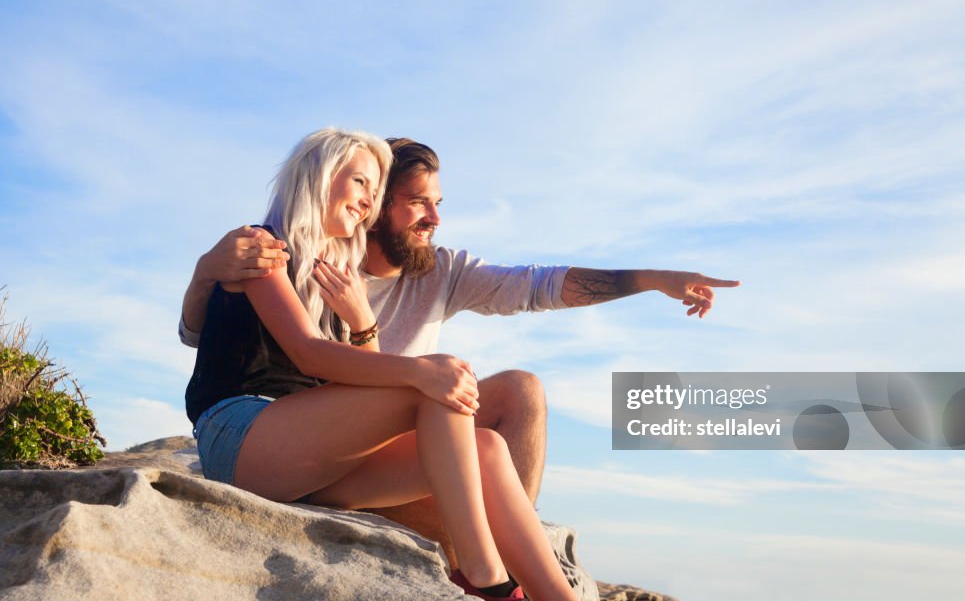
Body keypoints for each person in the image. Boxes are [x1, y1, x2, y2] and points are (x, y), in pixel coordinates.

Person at [180, 138, 740, 566]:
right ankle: (500, 563)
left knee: (519, 389)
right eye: (417, 202)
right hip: (320, 453)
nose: (435, 218)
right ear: (372, 208)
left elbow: (537, 285)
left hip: (406, 455)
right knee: (434, 395)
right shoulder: (318, 261)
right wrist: (207, 269)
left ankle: (508, 563)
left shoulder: (442, 272)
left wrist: (646, 278)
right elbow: (208, 340)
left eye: (438, 203)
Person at [185, 127, 595, 601]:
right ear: (319, 175)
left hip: (306, 461)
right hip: (242, 435)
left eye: (374, 192)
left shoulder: (335, 269)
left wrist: (363, 324)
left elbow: (361, 383)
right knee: (431, 381)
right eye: (359, 182)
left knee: (486, 448)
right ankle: (485, 577)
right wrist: (421, 370)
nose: (366, 201)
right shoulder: (261, 247)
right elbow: (308, 354)